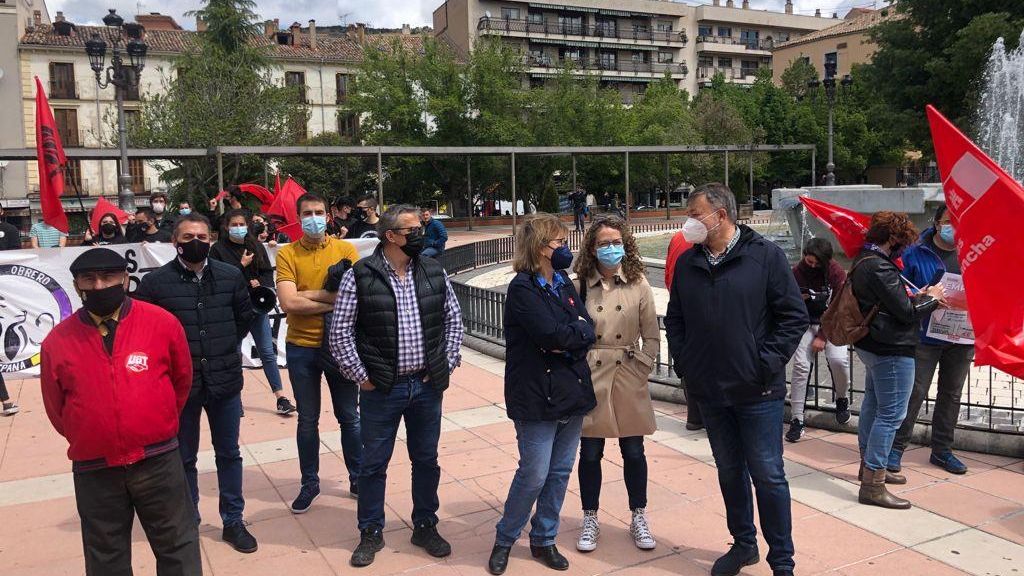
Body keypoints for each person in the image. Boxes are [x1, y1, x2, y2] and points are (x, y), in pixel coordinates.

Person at [664, 183, 807, 576]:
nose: (688, 222)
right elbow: (675, 319)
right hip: (709, 389)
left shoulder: (765, 256)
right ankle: (743, 544)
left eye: (695, 215)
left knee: (767, 474)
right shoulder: (690, 262)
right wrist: (686, 364)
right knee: (729, 470)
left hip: (757, 389)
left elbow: (793, 316)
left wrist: (764, 362)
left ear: (719, 215)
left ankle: (782, 561)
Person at [40, 248, 201, 575]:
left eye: (109, 277)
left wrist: (152, 422)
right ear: (77, 285)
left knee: (177, 546)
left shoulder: (161, 323)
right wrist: (94, 432)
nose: (99, 286)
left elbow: (181, 381)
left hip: (159, 460)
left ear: (126, 279)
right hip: (95, 468)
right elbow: (56, 407)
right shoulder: (58, 341)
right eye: (89, 279)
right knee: (105, 556)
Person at [329, 204, 464, 568]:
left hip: (426, 386)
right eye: (412, 231)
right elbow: (340, 333)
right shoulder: (360, 275)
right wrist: (362, 376)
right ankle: (371, 531)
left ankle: (425, 524)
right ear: (390, 236)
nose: (419, 235)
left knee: (426, 459)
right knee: (373, 464)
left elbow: (453, 321)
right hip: (382, 389)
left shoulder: (433, 270)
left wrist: (445, 363)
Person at [135, 213, 258, 553]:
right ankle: (188, 518)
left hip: (224, 381)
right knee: (183, 456)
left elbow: (244, 317)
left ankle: (233, 520)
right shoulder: (157, 283)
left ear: (212, 239)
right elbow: (142, 327)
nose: (196, 242)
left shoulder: (231, 275)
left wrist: (220, 344)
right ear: (175, 242)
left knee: (229, 453)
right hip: (180, 386)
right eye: (189, 236)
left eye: (203, 236)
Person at [488, 213, 596, 576]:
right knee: (534, 473)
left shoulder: (563, 280)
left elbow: (586, 327)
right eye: (560, 243)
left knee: (561, 470)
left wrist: (572, 336)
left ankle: (544, 537)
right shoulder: (522, 288)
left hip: (570, 389)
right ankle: (505, 538)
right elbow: (550, 336)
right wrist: (571, 336)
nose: (566, 249)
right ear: (540, 248)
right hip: (535, 395)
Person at [571, 216, 659, 552]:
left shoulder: (639, 284)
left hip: (627, 372)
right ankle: (590, 518)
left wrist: (641, 368)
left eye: (616, 241)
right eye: (604, 243)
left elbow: (651, 335)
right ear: (592, 248)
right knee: (590, 451)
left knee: (634, 450)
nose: (611, 248)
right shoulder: (578, 284)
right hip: (591, 373)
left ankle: (639, 515)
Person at [849, 211, 944, 509]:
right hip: (890, 348)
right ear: (892, 238)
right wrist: (933, 297)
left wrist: (919, 295)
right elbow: (906, 312)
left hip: (872, 345)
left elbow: (893, 302)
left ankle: (868, 467)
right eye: (902, 240)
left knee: (874, 406)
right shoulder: (880, 267)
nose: (904, 246)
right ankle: (874, 484)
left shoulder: (865, 259)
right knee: (891, 415)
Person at [275, 192, 362, 513]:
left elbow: (352, 297)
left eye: (319, 212)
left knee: (349, 417)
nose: (313, 217)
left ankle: (358, 477)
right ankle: (309, 482)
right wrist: (330, 298)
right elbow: (288, 303)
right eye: (307, 212)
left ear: (328, 216)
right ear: (299, 218)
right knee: (307, 420)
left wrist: (305, 295)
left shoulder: (346, 249)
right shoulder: (287, 254)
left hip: (340, 346)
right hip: (301, 348)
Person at [888, 206, 973, 475]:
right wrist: (924, 298)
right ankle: (896, 449)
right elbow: (901, 292)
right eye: (949, 222)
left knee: (952, 393)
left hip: (962, 335)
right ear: (937, 223)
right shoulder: (915, 251)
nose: (954, 227)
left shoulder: (974, 251)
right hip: (925, 334)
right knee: (914, 392)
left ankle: (942, 451)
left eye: (959, 222)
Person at [209, 209, 297, 416]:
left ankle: (281, 397)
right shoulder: (218, 250)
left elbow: (267, 272)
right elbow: (220, 280)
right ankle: (234, 399)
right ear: (226, 226)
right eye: (234, 225)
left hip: (257, 308)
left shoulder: (255, 245)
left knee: (267, 352)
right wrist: (240, 266)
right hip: (232, 310)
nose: (238, 229)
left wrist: (262, 283)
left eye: (242, 225)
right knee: (235, 354)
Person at [786, 238, 852, 442]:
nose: (812, 266)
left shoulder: (836, 273)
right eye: (809, 261)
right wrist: (798, 299)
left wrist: (822, 336)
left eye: (817, 263)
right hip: (806, 323)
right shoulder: (797, 272)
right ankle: (797, 419)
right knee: (801, 366)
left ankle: (842, 398)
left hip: (833, 324)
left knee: (838, 360)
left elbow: (839, 308)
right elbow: (789, 301)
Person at [663, 229, 701, 431]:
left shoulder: (678, 237)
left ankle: (694, 416)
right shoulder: (705, 240)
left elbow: (668, 273)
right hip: (697, 306)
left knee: (687, 358)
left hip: (680, 304)